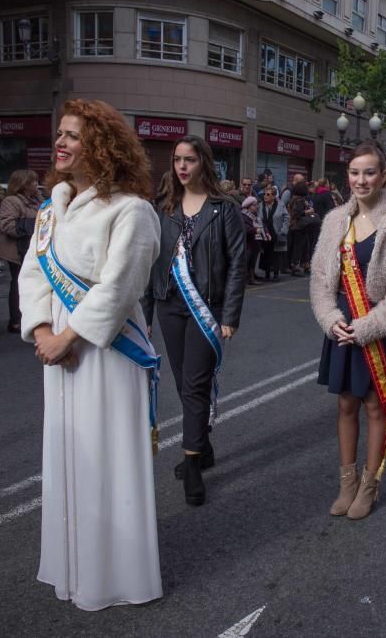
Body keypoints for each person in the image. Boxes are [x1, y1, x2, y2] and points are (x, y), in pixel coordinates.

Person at [18, 98, 162, 610]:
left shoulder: (132, 210)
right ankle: (74, 569)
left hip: (103, 352)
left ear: (100, 147)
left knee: (106, 458)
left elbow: (120, 288)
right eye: (60, 133)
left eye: (74, 136)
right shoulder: (48, 209)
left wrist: (66, 338)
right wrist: (39, 328)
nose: (60, 142)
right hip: (55, 348)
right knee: (69, 455)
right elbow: (33, 273)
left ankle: (117, 576)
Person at [310, 141, 386, 520]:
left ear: (384, 176)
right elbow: (321, 281)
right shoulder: (334, 220)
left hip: (376, 328)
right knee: (345, 404)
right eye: (355, 172)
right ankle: (347, 482)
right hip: (342, 327)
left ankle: (370, 485)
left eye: (369, 172)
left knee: (375, 406)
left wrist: (367, 327)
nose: (361, 179)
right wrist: (330, 318)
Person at [143, 134, 246, 505]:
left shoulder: (224, 208)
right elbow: (150, 262)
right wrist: (147, 313)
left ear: (204, 162)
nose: (182, 166)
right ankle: (202, 445)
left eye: (189, 159)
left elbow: (237, 265)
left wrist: (230, 315)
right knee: (185, 382)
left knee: (196, 384)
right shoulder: (163, 207)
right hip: (169, 304)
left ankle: (191, 467)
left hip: (207, 308)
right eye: (177, 160)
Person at [0, 169, 42, 333]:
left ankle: (31, 316)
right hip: (17, 250)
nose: (36, 184)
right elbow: (7, 225)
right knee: (19, 283)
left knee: (34, 283)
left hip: (33, 248)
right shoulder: (12, 201)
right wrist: (34, 226)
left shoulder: (37, 200)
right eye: (32, 181)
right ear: (22, 184)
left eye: (36, 180)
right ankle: (16, 320)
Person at [261, 186, 288, 281]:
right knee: (266, 254)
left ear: (273, 196)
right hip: (265, 234)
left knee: (276, 254)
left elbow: (286, 217)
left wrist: (283, 231)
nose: (265, 196)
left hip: (276, 233)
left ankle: (276, 274)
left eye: (268, 194)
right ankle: (267, 273)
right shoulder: (261, 205)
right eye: (264, 194)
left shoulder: (280, 205)